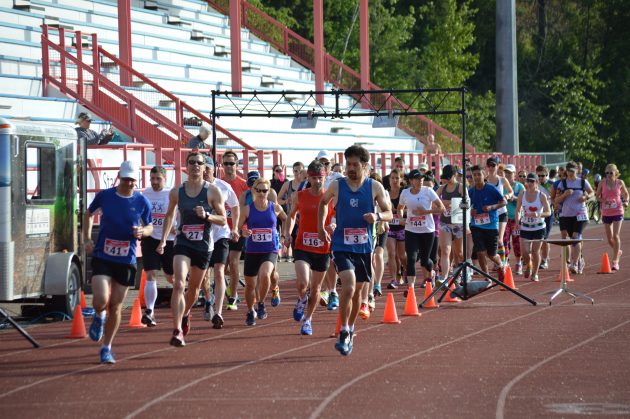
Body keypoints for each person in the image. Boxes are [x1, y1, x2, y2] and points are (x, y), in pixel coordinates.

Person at [318, 145, 392, 356]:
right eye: (348, 164)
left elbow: (389, 213)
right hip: (341, 245)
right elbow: (323, 203)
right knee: (349, 285)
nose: (350, 168)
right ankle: (342, 330)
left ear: (364, 165)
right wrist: (320, 227)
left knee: (358, 291)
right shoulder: (337, 185)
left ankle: (350, 328)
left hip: (363, 247)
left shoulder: (374, 187)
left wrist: (377, 217)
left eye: (355, 165)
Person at [84, 161, 152, 364]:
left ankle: (107, 347)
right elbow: (88, 214)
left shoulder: (141, 201)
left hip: (126, 258)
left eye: (133, 179)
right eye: (126, 179)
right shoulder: (105, 196)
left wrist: (142, 232)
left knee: (116, 305)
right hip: (104, 255)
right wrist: (87, 238)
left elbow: (149, 227)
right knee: (101, 299)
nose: (129, 183)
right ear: (119, 178)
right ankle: (98, 315)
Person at [157, 152, 226, 347]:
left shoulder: (212, 191)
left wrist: (206, 216)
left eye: (199, 163)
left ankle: (186, 313)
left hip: (203, 246)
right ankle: (177, 330)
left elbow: (223, 219)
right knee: (179, 284)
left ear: (205, 168)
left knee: (194, 290)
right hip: (183, 243)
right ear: (186, 166)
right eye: (192, 162)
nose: (195, 165)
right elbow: (169, 216)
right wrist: (163, 240)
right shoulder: (177, 192)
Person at [284, 160, 334, 335]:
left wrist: (333, 226)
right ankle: (301, 298)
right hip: (302, 245)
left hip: (323, 247)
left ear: (325, 176)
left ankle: (308, 320)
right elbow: (291, 216)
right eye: (314, 178)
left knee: (316, 289)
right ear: (309, 178)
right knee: (303, 283)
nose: (317, 181)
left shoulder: (330, 197)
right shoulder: (300, 196)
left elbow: (337, 218)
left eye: (320, 178)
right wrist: (287, 234)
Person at [237, 178, 287, 326]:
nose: (261, 193)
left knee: (265, 274)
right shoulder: (247, 209)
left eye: (264, 191)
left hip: (270, 249)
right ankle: (250, 310)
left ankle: (261, 303)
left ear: (269, 191)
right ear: (254, 191)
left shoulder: (275, 207)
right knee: (250, 285)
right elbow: (238, 228)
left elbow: (285, 219)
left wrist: (284, 236)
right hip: (252, 250)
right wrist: (243, 232)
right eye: (258, 190)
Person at [200, 155, 239, 328]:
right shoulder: (195, 188)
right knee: (203, 274)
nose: (205, 172)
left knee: (219, 270)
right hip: (201, 235)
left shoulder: (223, 187)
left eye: (208, 168)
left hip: (221, 234)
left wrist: (235, 227)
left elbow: (235, 206)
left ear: (213, 168)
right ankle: (208, 299)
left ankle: (218, 312)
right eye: (203, 168)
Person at [140, 165, 176, 327]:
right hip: (150, 238)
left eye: (158, 179)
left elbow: (181, 213)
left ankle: (183, 303)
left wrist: (179, 226)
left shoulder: (171, 194)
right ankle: (150, 311)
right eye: (152, 178)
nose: (155, 182)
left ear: (165, 179)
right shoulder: (145, 194)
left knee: (171, 277)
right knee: (151, 274)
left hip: (169, 239)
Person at [398, 170, 445, 290]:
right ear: (411, 181)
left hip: (427, 230)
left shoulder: (428, 191)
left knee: (425, 261)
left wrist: (425, 212)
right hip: (411, 230)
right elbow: (400, 208)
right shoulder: (405, 193)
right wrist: (401, 218)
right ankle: (411, 288)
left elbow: (442, 208)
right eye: (418, 179)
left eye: (422, 179)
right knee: (412, 258)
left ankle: (433, 271)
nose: (421, 181)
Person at [221, 151, 250, 310]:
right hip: (221, 230)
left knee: (233, 263)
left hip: (237, 229)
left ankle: (232, 297)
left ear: (237, 165)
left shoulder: (243, 184)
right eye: (226, 163)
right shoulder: (218, 183)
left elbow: (247, 209)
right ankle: (231, 285)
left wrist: (243, 227)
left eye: (231, 163)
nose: (229, 167)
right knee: (221, 267)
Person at [468, 165, 508, 277]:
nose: (476, 177)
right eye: (474, 175)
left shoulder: (491, 189)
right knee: (480, 252)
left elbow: (504, 202)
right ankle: (487, 277)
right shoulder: (470, 191)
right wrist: (470, 211)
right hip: (476, 225)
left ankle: (500, 263)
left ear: (484, 175)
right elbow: (465, 207)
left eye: (478, 174)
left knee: (491, 255)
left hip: (491, 225)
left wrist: (492, 207)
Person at [555, 161, 594, 274]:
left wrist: (586, 197)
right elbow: (557, 200)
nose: (570, 173)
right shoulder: (562, 184)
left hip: (581, 214)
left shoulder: (582, 182)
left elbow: (592, 193)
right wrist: (565, 195)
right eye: (568, 171)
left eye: (572, 171)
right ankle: (580, 259)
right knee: (573, 239)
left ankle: (574, 263)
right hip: (567, 215)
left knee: (576, 237)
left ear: (577, 171)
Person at [515, 173, 552, 281]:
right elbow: (518, 210)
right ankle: (529, 265)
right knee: (525, 252)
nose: (530, 183)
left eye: (532, 181)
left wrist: (538, 214)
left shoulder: (541, 195)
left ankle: (535, 273)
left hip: (539, 227)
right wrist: (517, 222)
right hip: (525, 227)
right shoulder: (522, 194)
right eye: (528, 181)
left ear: (537, 182)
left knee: (535, 252)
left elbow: (548, 212)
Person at [436, 164, 467, 282]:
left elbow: (467, 204)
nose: (447, 180)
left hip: (458, 223)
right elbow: (434, 202)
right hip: (445, 223)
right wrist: (444, 203)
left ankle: (464, 271)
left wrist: (451, 203)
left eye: (449, 177)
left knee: (459, 252)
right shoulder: (441, 188)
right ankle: (444, 276)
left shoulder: (461, 187)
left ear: (455, 175)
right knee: (445, 250)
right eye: (446, 177)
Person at [596, 163, 628, 270]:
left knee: (616, 236)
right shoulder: (602, 183)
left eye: (611, 172)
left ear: (615, 173)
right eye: (607, 173)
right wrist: (603, 200)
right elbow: (597, 196)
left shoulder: (620, 182)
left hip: (618, 211)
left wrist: (626, 201)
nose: (609, 174)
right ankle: (617, 251)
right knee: (609, 239)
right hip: (606, 212)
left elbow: (626, 194)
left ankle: (615, 261)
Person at [486, 156, 514, 266]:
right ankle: (498, 260)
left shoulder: (502, 180)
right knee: (490, 242)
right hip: (490, 214)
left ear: (497, 166)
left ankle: (502, 263)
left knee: (499, 240)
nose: (491, 168)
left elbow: (511, 191)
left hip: (502, 212)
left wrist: (507, 195)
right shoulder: (485, 181)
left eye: (494, 165)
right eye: (489, 165)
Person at [385, 168, 407, 290]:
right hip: (390, 227)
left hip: (402, 227)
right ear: (389, 180)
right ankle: (393, 279)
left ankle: (407, 271)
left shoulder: (404, 193)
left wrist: (399, 212)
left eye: (397, 178)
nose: (394, 180)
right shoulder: (385, 193)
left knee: (402, 256)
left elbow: (409, 209)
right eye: (392, 178)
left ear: (401, 179)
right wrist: (388, 210)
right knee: (391, 253)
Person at [503, 164, 524, 275]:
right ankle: (505, 262)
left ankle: (518, 262)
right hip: (504, 219)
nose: (507, 175)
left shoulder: (519, 186)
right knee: (504, 240)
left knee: (516, 241)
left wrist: (514, 198)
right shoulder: (502, 186)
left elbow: (524, 200)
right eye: (506, 173)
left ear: (514, 174)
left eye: (510, 173)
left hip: (516, 219)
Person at [536, 165, 555, 269]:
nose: (540, 178)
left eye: (542, 176)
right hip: (537, 215)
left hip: (548, 214)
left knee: (545, 238)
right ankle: (540, 258)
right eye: (538, 176)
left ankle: (544, 260)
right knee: (539, 238)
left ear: (547, 175)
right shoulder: (535, 184)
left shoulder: (552, 185)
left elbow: (555, 197)